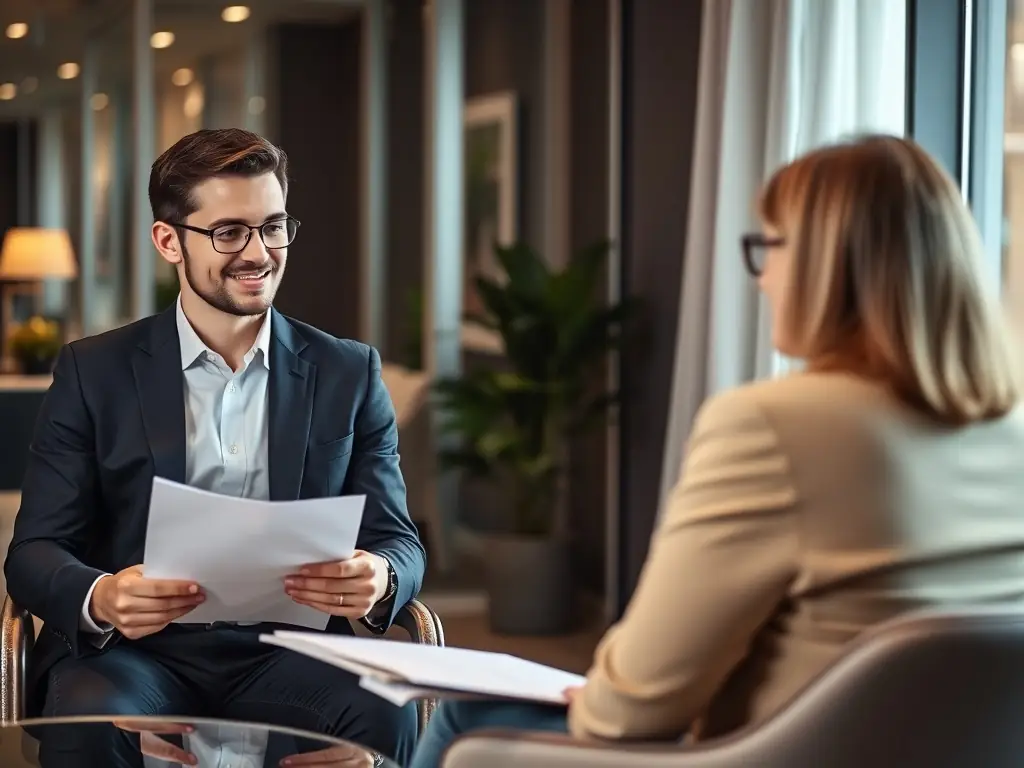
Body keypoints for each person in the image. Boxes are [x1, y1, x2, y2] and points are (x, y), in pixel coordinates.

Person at [409, 134, 1024, 767]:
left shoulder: (775, 425)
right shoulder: (1012, 433)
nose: (761, 280)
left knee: (462, 713)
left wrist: (607, 698)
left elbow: (632, 711)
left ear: (826, 263)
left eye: (770, 246)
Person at [4, 128, 425, 767]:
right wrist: (102, 595)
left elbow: (400, 540)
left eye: (273, 227)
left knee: (383, 715)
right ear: (168, 240)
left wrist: (382, 576)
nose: (259, 253)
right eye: (229, 232)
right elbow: (33, 553)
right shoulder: (95, 373)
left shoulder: (348, 372)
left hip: (298, 649)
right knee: (89, 721)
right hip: (137, 652)